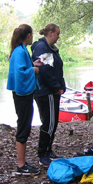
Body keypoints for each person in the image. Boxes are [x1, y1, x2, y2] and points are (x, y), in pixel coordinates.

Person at [7, 24, 42, 175]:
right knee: (23, 127)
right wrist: (33, 70)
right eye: (32, 35)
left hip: (23, 95)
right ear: (28, 35)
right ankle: (21, 165)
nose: (32, 37)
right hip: (22, 96)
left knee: (25, 126)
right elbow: (21, 73)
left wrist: (32, 64)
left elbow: (22, 68)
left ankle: (23, 163)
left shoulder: (20, 49)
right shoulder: (19, 51)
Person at [31, 23, 66, 167]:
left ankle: (48, 150)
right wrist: (56, 87)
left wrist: (61, 86)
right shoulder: (41, 47)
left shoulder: (51, 48)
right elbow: (45, 70)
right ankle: (42, 153)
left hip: (52, 90)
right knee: (49, 122)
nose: (58, 37)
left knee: (53, 122)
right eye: (57, 34)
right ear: (50, 33)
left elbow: (56, 68)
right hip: (46, 91)